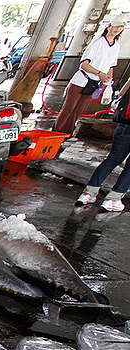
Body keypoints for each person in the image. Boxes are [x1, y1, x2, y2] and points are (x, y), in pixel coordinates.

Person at [54, 15, 126, 135]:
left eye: (121, 27)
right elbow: (84, 65)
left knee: (78, 110)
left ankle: (66, 134)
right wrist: (99, 73)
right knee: (68, 109)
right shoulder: (98, 43)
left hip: (94, 83)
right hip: (81, 80)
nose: (118, 29)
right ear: (109, 27)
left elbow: (111, 66)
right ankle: (56, 133)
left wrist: (108, 79)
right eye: (116, 26)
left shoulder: (116, 46)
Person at [76, 75, 130, 211]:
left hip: (125, 123)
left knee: (112, 159)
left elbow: (124, 90)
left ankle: (88, 194)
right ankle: (113, 199)